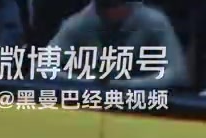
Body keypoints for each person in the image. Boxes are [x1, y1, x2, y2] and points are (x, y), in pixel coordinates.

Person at [49, 0, 189, 88]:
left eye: (115, 5)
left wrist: (128, 84)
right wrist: (86, 82)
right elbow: (44, 67)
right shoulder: (82, 21)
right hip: (94, 99)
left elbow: (177, 73)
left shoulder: (155, 23)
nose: (108, 12)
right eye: (104, 5)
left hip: (143, 102)